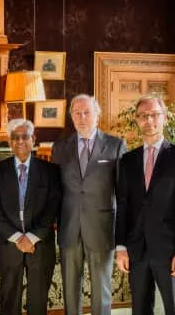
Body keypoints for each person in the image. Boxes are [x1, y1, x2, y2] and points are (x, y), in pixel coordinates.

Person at [115, 95, 175, 315]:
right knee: (140, 309)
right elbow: (123, 206)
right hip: (137, 250)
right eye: (143, 116)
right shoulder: (128, 160)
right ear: (136, 119)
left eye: (154, 115)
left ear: (164, 118)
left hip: (171, 251)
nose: (149, 120)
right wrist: (121, 247)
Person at [52, 94, 127, 315]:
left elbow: (123, 194)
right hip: (69, 227)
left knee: (101, 289)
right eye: (77, 113)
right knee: (70, 289)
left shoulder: (115, 145)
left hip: (101, 228)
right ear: (71, 117)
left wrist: (123, 235)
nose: (82, 117)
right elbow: (54, 190)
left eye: (87, 112)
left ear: (97, 115)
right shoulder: (60, 147)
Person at [0, 119, 61, 315]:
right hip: (9, 244)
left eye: (25, 136)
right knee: (9, 300)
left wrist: (31, 237)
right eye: (15, 137)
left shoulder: (50, 171)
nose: (20, 141)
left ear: (33, 139)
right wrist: (17, 237)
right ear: (9, 142)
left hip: (40, 245)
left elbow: (52, 208)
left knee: (38, 302)